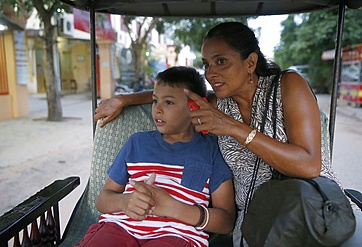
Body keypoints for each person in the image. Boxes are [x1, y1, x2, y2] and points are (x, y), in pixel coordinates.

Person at [94, 22, 361, 246]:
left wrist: (233, 128)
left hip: (308, 209)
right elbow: (177, 95)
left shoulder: (287, 85)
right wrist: (124, 100)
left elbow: (309, 164)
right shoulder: (221, 103)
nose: (211, 72)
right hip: (256, 222)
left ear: (250, 62)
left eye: (221, 61)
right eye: (207, 64)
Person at [76, 66, 236, 247]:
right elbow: (102, 200)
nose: (157, 109)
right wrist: (124, 202)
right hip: (119, 227)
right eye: (154, 101)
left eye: (168, 102)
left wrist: (174, 208)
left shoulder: (211, 150)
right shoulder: (137, 143)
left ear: (194, 106)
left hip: (176, 236)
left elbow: (226, 221)